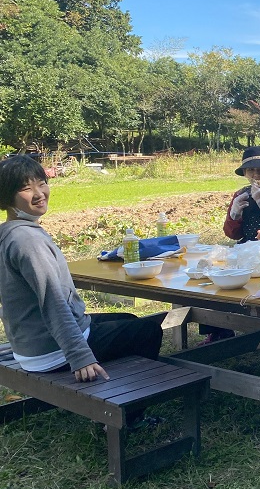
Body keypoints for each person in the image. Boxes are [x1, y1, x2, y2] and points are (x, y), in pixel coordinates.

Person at [0, 155, 162, 383]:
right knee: (148, 331)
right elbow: (53, 302)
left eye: (42, 184)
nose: (39, 194)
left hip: (30, 345)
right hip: (52, 352)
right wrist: (79, 356)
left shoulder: (8, 232)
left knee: (128, 318)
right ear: (6, 197)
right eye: (26, 189)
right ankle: (131, 401)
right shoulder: (28, 240)